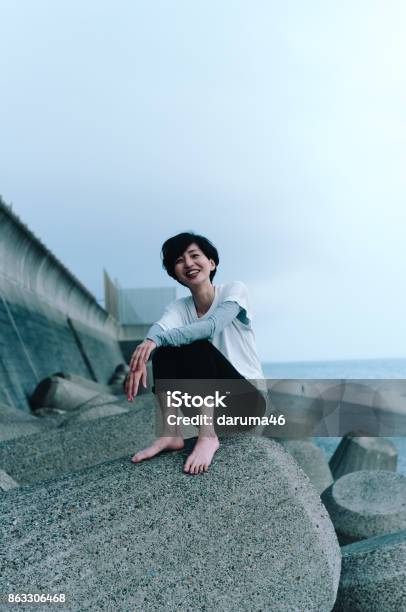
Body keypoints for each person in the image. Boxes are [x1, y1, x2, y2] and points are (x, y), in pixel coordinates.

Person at [125, 232, 266, 475]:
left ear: (211, 263)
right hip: (208, 406)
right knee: (165, 349)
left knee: (193, 342)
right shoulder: (179, 308)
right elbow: (160, 329)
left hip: (247, 405)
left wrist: (155, 341)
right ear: (174, 273)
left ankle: (208, 437)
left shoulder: (234, 291)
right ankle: (171, 434)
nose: (188, 263)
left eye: (194, 255)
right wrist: (148, 343)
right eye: (179, 260)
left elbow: (211, 326)